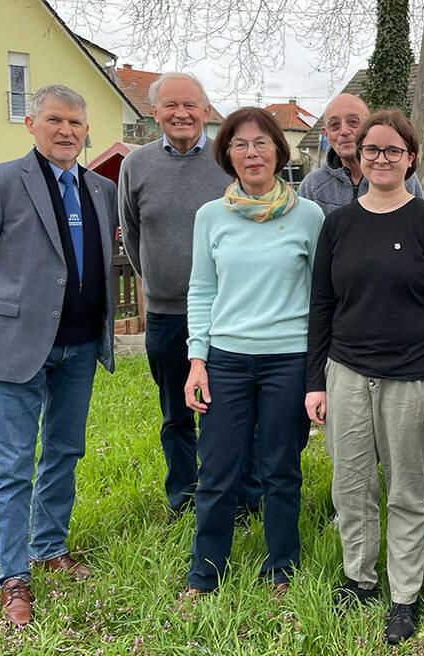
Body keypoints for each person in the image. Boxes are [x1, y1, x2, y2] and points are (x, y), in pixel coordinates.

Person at [0, 84, 118, 627]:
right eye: (55, 120)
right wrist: (3, 311)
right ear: (31, 123)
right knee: (13, 465)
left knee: (65, 451)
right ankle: (13, 576)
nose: (67, 131)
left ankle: (50, 547)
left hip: (82, 343)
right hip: (18, 346)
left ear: (86, 129)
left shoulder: (98, 188)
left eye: (76, 122)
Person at [305, 109, 424, 645]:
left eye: (394, 150)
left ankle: (404, 595)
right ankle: (360, 578)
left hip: (410, 380)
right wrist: (315, 381)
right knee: (351, 487)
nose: (382, 159)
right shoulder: (339, 223)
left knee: (406, 492)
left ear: (410, 157)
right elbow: (321, 305)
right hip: (345, 373)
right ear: (358, 156)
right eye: (373, 150)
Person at [181, 107, 324, 595]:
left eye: (261, 143)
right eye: (240, 144)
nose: (251, 152)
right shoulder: (209, 217)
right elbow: (201, 290)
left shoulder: (309, 216)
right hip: (225, 360)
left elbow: (320, 296)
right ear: (227, 155)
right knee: (217, 471)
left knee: (281, 469)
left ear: (278, 151)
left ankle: (281, 567)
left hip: (288, 359)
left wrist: (316, 372)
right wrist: (196, 360)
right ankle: (205, 572)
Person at [118, 72, 262, 523]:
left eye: (191, 106)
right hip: (166, 315)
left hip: (229, 314)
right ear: (155, 112)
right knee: (176, 412)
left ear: (205, 112)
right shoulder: (135, 166)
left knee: (232, 413)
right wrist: (158, 281)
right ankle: (184, 496)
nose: (181, 114)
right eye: (171, 106)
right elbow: (133, 235)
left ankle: (241, 497)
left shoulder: (227, 162)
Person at [298, 93, 424, 215]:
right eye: (335, 125)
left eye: (353, 122)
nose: (344, 131)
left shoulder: (404, 180)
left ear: (369, 127)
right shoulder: (312, 187)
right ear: (326, 134)